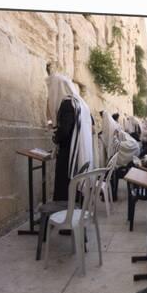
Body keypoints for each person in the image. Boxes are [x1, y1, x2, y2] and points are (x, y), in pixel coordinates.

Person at [46, 73, 94, 201]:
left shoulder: (67, 103)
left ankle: (64, 216)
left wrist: (55, 137)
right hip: (79, 152)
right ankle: (75, 211)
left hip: (69, 154)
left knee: (65, 188)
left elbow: (65, 130)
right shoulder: (79, 103)